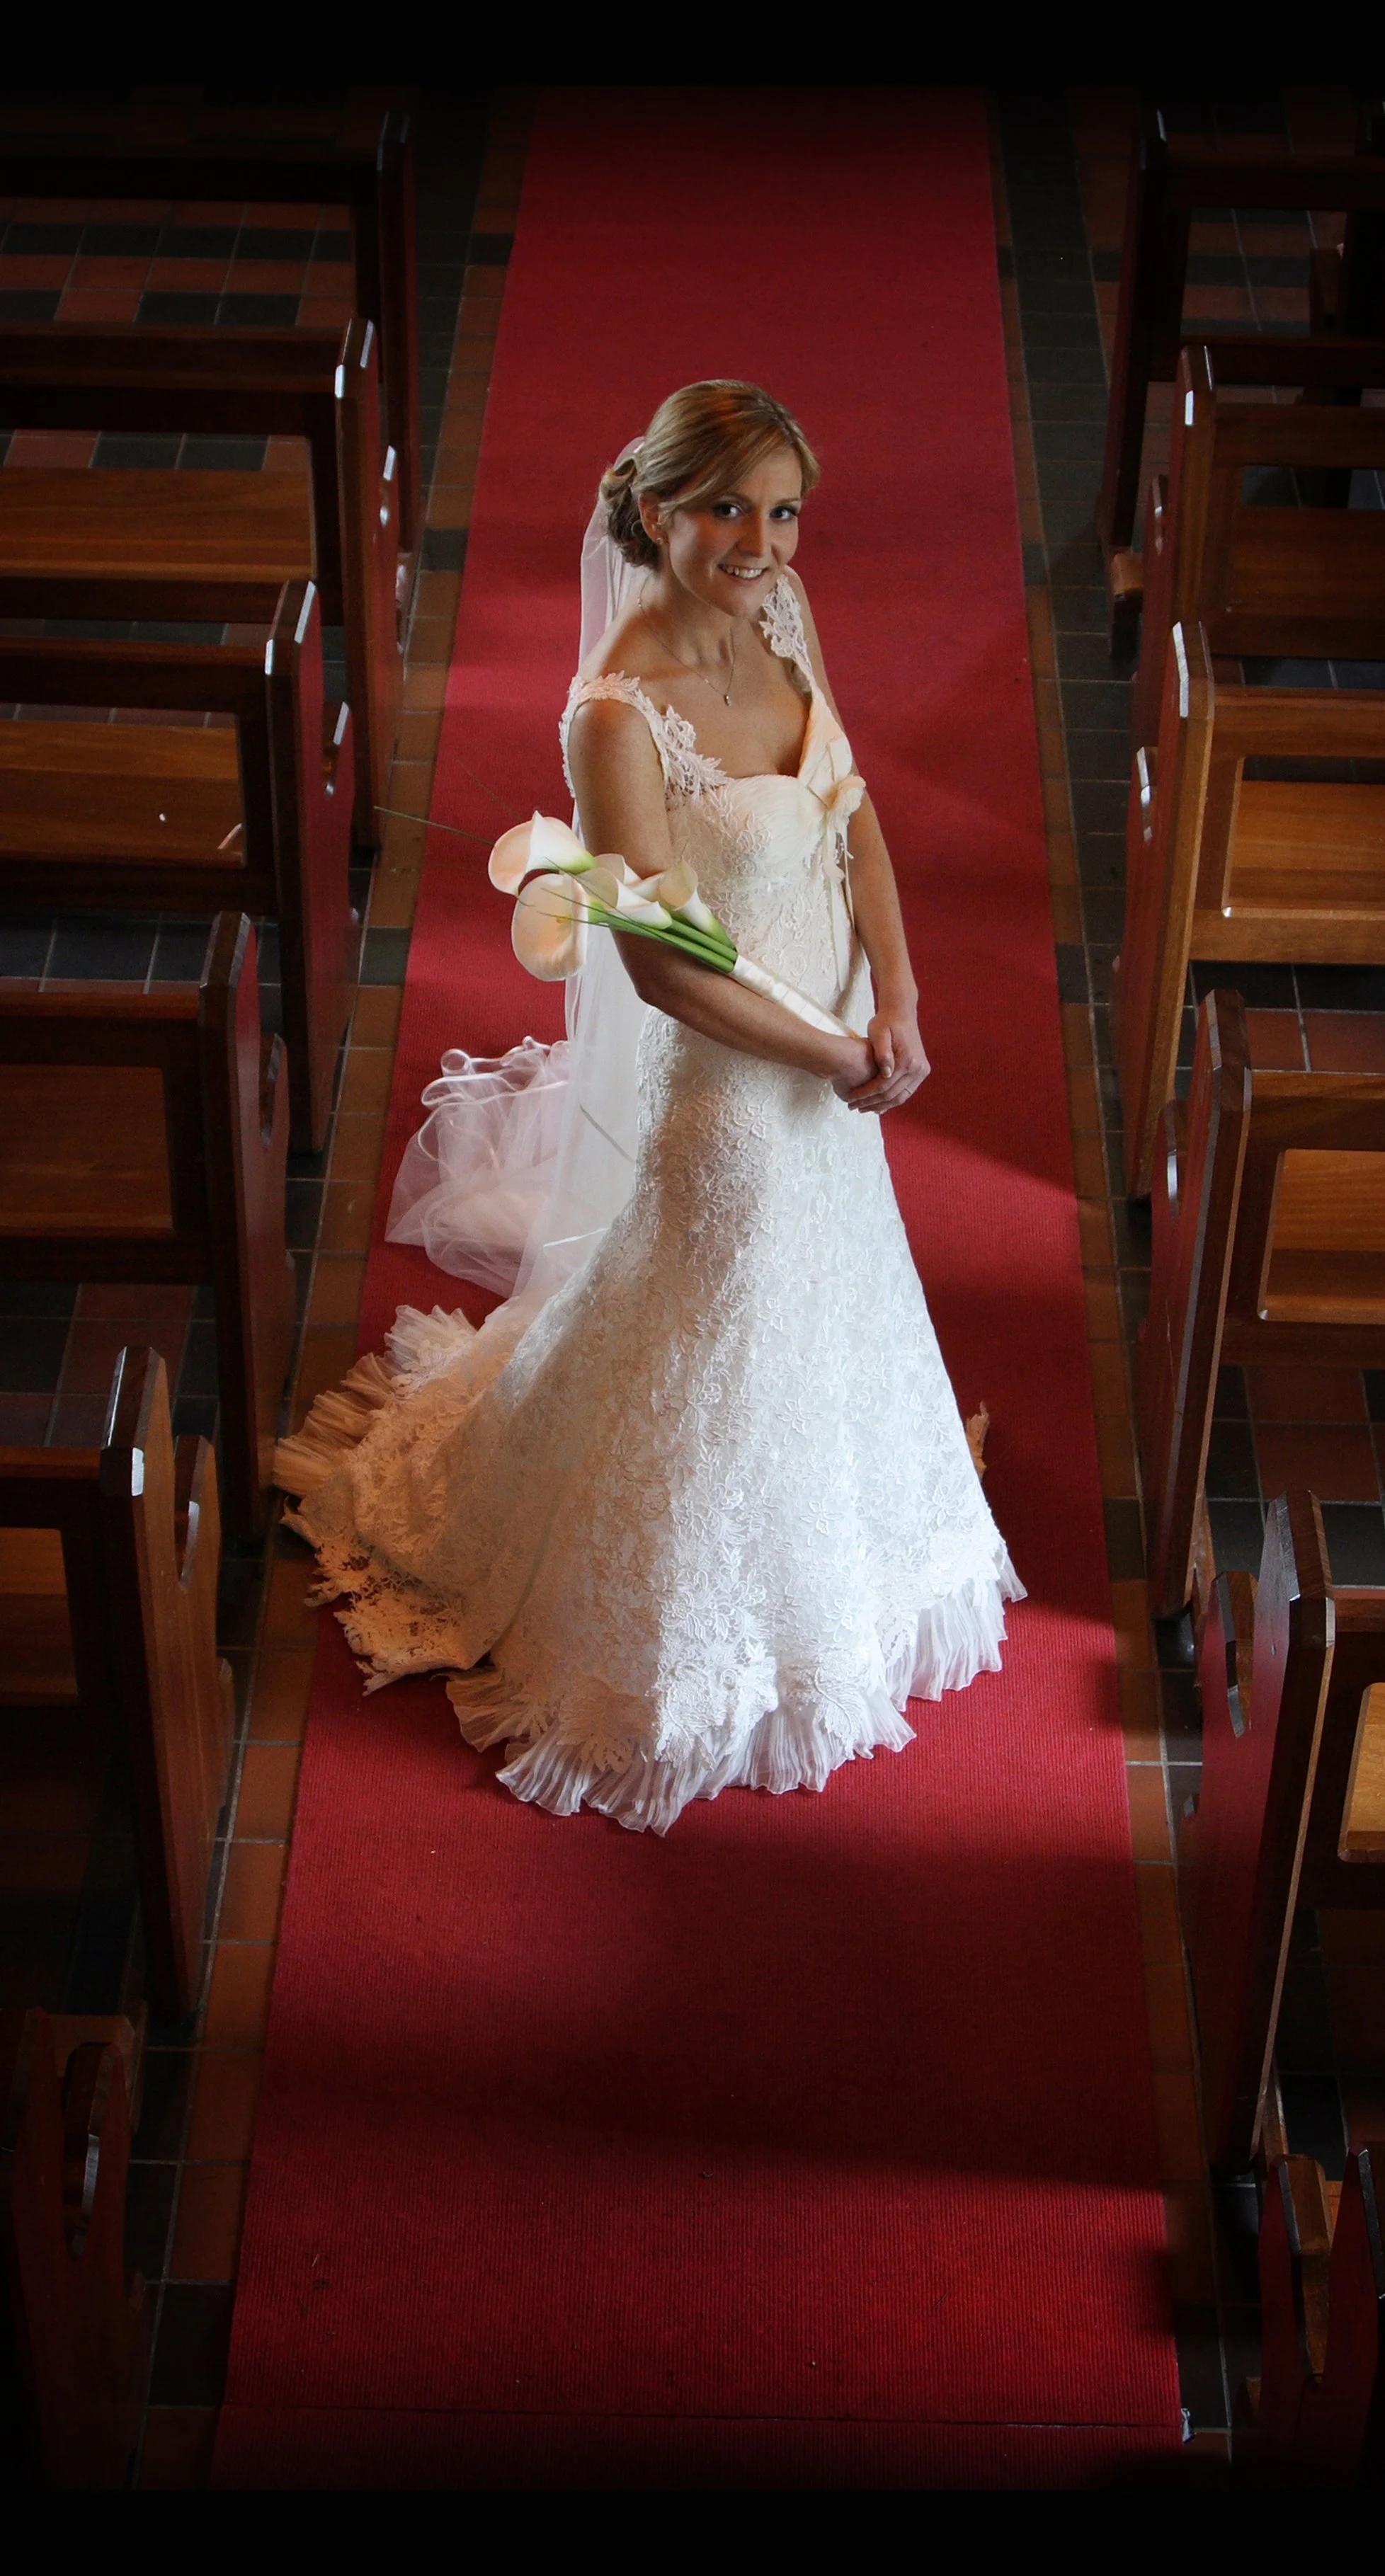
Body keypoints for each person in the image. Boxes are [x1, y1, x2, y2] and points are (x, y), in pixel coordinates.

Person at [277, 379, 1022, 1835]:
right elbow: (666, 977)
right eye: (729, 508)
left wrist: (902, 999)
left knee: (835, 1291)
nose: (761, 541)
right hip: (737, 1098)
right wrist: (824, 1057)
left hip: (836, 1041)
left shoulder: (783, 616)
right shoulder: (615, 715)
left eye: (785, 508)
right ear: (659, 511)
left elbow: (852, 807)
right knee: (720, 1312)